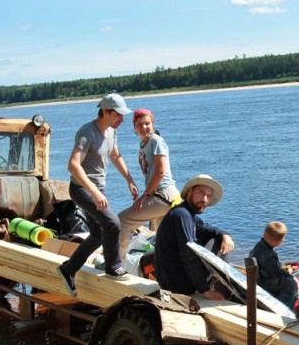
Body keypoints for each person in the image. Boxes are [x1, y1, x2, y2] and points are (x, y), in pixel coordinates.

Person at [56, 93, 138, 296]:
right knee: (112, 224)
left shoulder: (111, 131)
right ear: (105, 112)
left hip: (97, 190)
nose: (122, 120)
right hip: (82, 189)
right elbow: (73, 165)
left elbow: (115, 155)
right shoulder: (87, 132)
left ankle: (68, 269)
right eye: (118, 115)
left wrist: (129, 180)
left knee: (98, 235)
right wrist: (93, 191)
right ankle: (113, 267)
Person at [154, 174, 234, 300]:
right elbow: (188, 255)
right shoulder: (182, 215)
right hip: (176, 285)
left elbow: (211, 229)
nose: (204, 199)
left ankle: (223, 289)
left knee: (218, 238)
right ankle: (224, 294)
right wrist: (205, 291)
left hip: (171, 279)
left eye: (208, 196)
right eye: (200, 193)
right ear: (189, 192)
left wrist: (226, 235)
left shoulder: (188, 214)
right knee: (218, 244)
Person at [117, 109, 181, 258]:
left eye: (147, 123)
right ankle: (166, 272)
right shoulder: (144, 144)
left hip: (163, 194)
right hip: (162, 195)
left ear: (152, 124)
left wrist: (144, 196)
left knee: (124, 220)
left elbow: (161, 171)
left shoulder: (156, 141)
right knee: (163, 239)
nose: (144, 127)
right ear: (134, 127)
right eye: (139, 124)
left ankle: (116, 262)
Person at [249, 221, 299, 308]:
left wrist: (282, 268)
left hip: (260, 278)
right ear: (278, 241)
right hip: (264, 282)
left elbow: (270, 267)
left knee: (288, 279)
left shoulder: (259, 246)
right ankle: (282, 307)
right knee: (292, 284)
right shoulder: (268, 255)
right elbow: (275, 273)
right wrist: (288, 273)